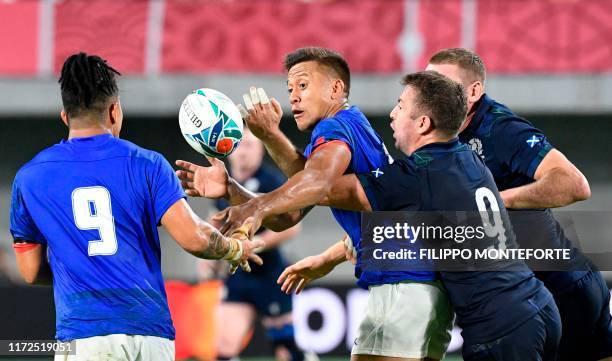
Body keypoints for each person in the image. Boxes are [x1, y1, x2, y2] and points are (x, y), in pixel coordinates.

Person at [177, 47, 454, 361]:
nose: (294, 96)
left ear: (335, 89)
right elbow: (292, 210)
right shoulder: (349, 126)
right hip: (414, 283)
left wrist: (254, 208)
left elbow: (316, 181)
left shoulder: (334, 128)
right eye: (290, 89)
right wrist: (233, 184)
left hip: (403, 282)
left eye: (304, 85)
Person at [278, 71, 562, 361]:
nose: (392, 113)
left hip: (500, 325)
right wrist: (327, 259)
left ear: (423, 123)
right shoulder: (466, 157)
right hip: (538, 306)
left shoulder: (419, 176)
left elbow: (318, 188)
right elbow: (397, 228)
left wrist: (269, 138)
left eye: (400, 106)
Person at [9, 52, 263, 361]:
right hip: (149, 334)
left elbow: (31, 271)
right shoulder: (148, 164)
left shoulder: (29, 178)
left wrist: (80, 268)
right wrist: (235, 248)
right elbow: (194, 238)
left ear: (65, 116)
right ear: (115, 111)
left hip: (86, 336)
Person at [425, 48, 611, 361]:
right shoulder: (439, 135)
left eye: (442, 84)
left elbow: (573, 184)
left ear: (474, 91)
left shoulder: (501, 129)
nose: (432, 93)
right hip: (527, 295)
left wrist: (493, 202)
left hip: (558, 288)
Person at [191, 129, 308, 361]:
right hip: (238, 277)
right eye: (240, 145)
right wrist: (205, 259)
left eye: (250, 145)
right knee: (224, 348)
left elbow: (294, 227)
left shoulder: (271, 180)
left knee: (286, 349)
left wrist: (253, 245)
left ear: (261, 150)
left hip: (270, 274)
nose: (243, 152)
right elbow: (214, 223)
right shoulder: (222, 183)